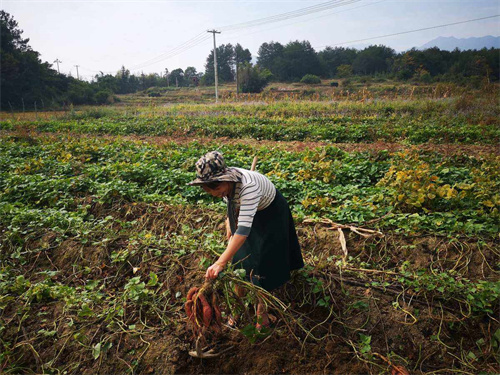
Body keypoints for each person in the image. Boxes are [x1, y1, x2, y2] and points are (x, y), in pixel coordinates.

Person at [188, 151, 304, 329]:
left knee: (264, 262)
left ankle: (261, 312)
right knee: (239, 259)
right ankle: (238, 308)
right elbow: (230, 203)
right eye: (209, 191)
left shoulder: (248, 188)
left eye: (217, 190)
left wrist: (219, 263)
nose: (214, 194)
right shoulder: (225, 186)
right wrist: (229, 222)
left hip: (271, 213)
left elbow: (242, 232)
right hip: (247, 210)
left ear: (226, 180)